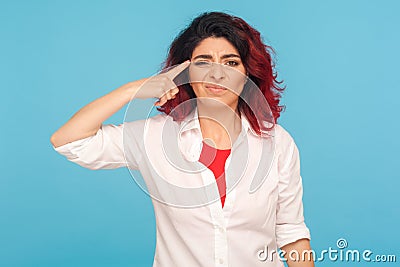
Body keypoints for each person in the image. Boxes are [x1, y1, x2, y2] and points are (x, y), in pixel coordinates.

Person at [51, 12, 314, 267]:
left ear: (248, 74)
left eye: (231, 62)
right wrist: (133, 89)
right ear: (184, 72)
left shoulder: (277, 143)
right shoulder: (154, 136)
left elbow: (291, 232)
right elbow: (68, 141)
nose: (217, 74)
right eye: (203, 62)